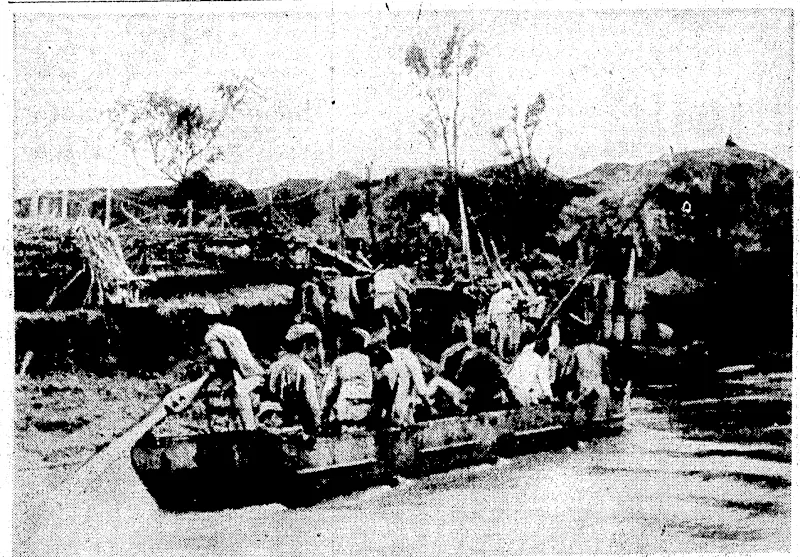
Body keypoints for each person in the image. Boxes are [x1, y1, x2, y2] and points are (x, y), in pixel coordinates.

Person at [203, 323, 267, 431]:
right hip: (248, 372)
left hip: (246, 377)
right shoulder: (231, 331)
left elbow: (220, 356)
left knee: (240, 392)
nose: (208, 353)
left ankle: (248, 432)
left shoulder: (213, 334)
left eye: (210, 348)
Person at [265, 324, 324, 435]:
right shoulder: (303, 369)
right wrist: (317, 425)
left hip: (273, 426)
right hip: (297, 428)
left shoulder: (274, 366)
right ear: (305, 345)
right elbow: (312, 403)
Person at [319, 328, 373, 427]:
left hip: (345, 408)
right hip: (367, 409)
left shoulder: (340, 362)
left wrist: (323, 413)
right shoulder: (369, 361)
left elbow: (329, 389)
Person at [507, 330, 554, 407]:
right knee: (538, 388)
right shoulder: (537, 359)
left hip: (512, 390)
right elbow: (543, 380)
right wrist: (550, 395)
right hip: (523, 394)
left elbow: (510, 377)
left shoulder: (521, 355)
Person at [488, 278, 520, 360]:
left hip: (495, 316)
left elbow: (490, 308)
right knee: (504, 335)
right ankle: (502, 355)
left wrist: (490, 319)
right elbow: (514, 304)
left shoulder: (495, 295)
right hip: (503, 315)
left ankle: (498, 352)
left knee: (499, 335)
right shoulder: (508, 291)